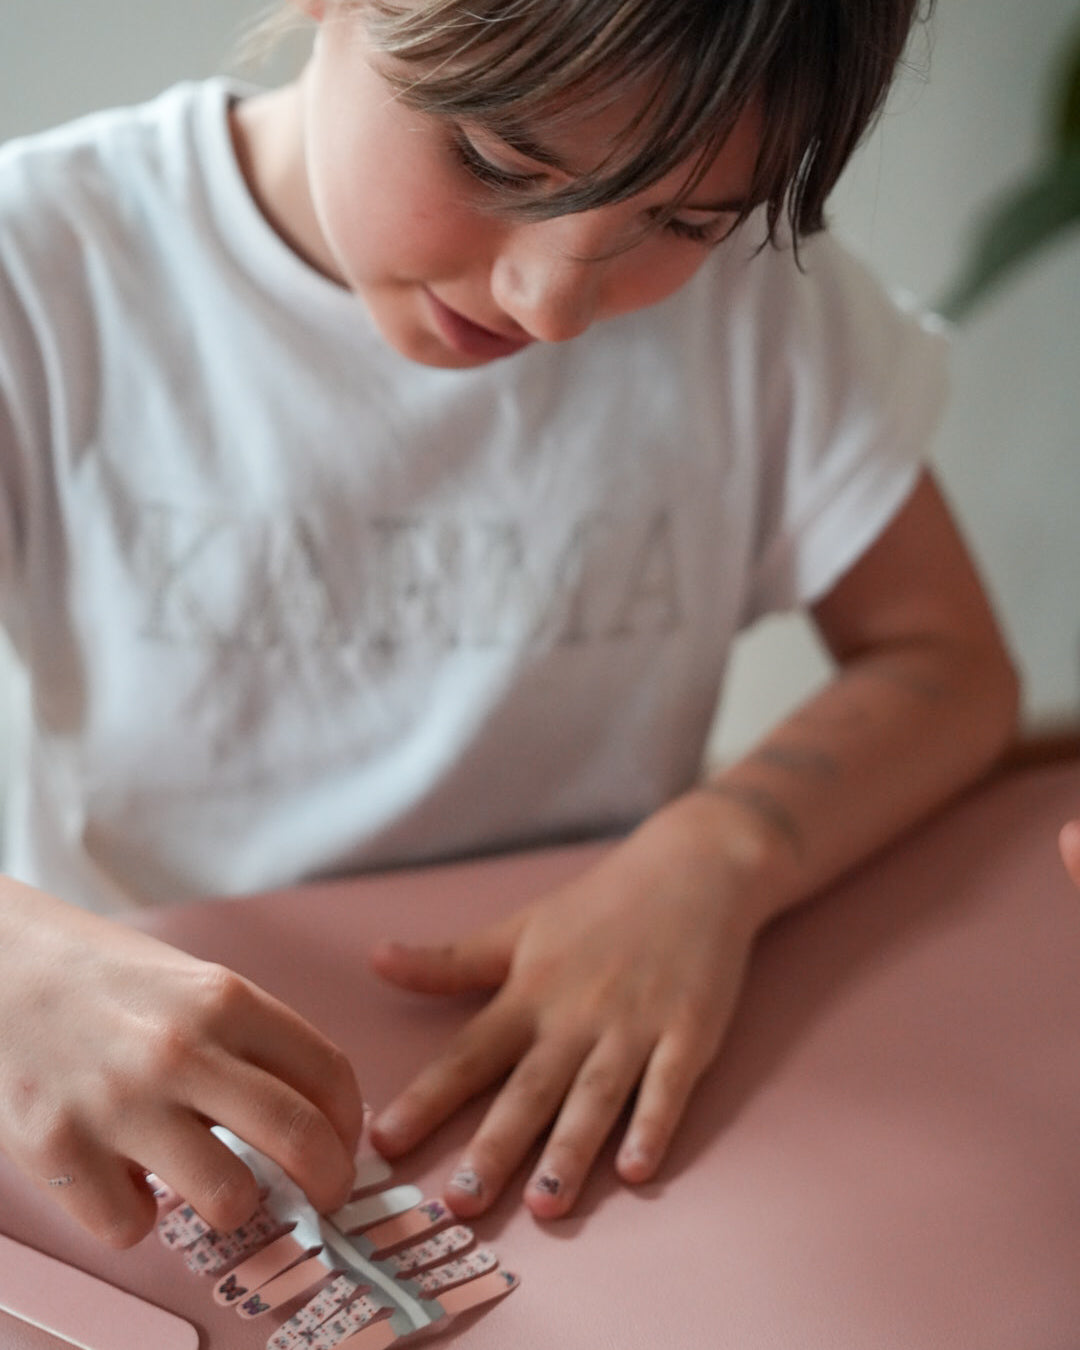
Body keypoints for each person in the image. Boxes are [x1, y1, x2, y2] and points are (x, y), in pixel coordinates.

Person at [0, 0, 1019, 1249]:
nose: (550, 303)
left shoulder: (760, 321)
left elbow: (945, 661)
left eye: (681, 221)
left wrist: (719, 855)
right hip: (138, 1116)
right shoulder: (43, 271)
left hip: (609, 1093)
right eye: (497, 162)